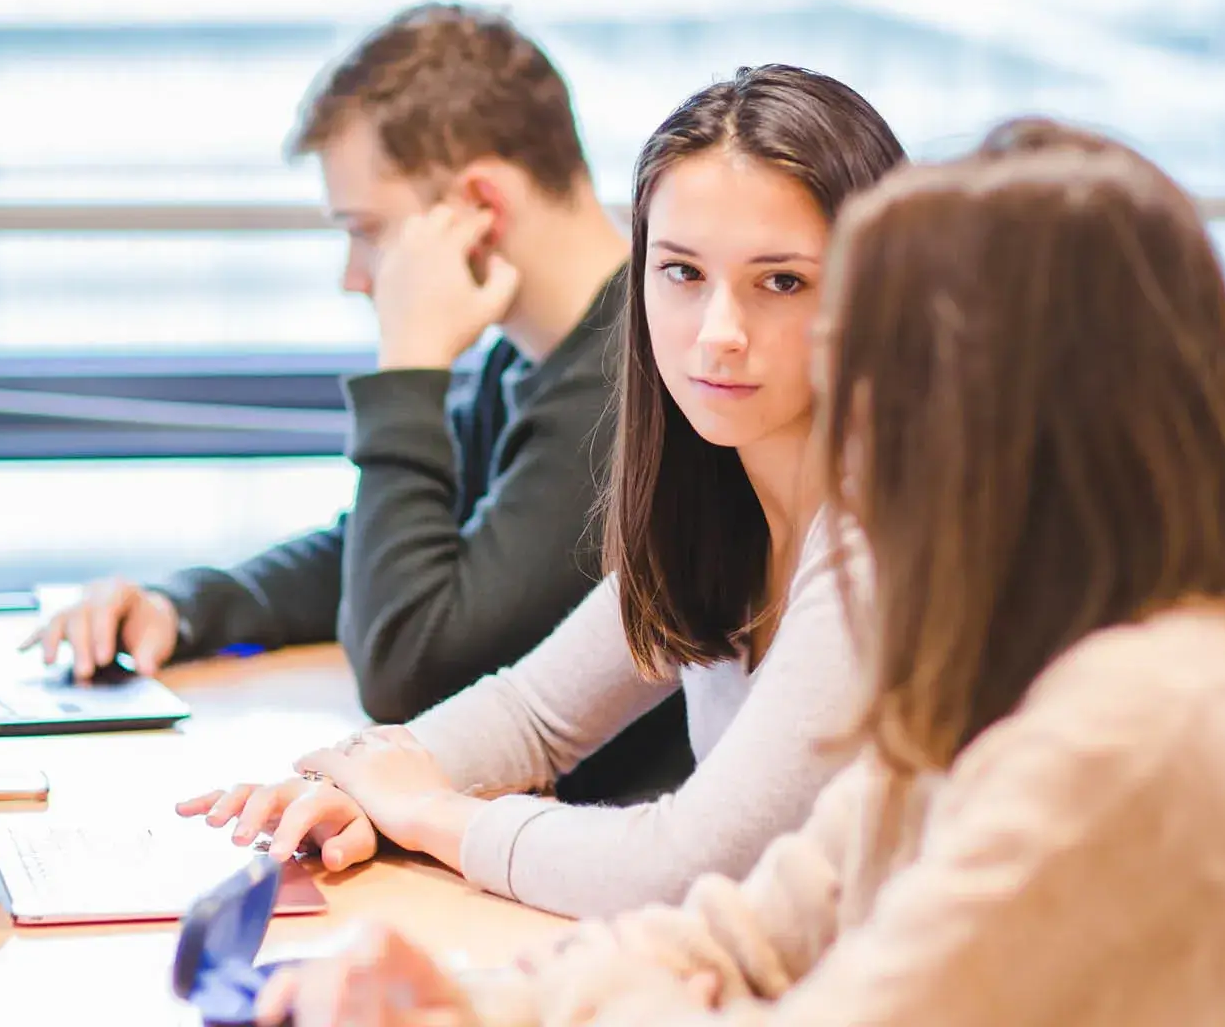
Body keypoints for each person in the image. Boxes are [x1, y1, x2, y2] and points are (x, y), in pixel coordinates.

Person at [253, 120, 1225, 1027]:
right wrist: (477, 1002)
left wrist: (454, 840)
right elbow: (755, 928)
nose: (849, 423)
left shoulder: (1145, 718)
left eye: (873, 367)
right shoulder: (995, 666)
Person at [177, 64, 910, 919]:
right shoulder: (717, 500)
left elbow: (688, 864)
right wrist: (350, 780)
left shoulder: (884, 537)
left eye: (780, 282)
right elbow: (534, 715)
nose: (718, 334)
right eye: (681, 273)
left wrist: (432, 812)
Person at [23, 3, 691, 805]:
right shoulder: (537, 355)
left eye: (367, 230)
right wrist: (187, 605)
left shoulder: (628, 386)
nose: (354, 274)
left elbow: (408, 663)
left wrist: (409, 366)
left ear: (480, 206)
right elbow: (388, 551)